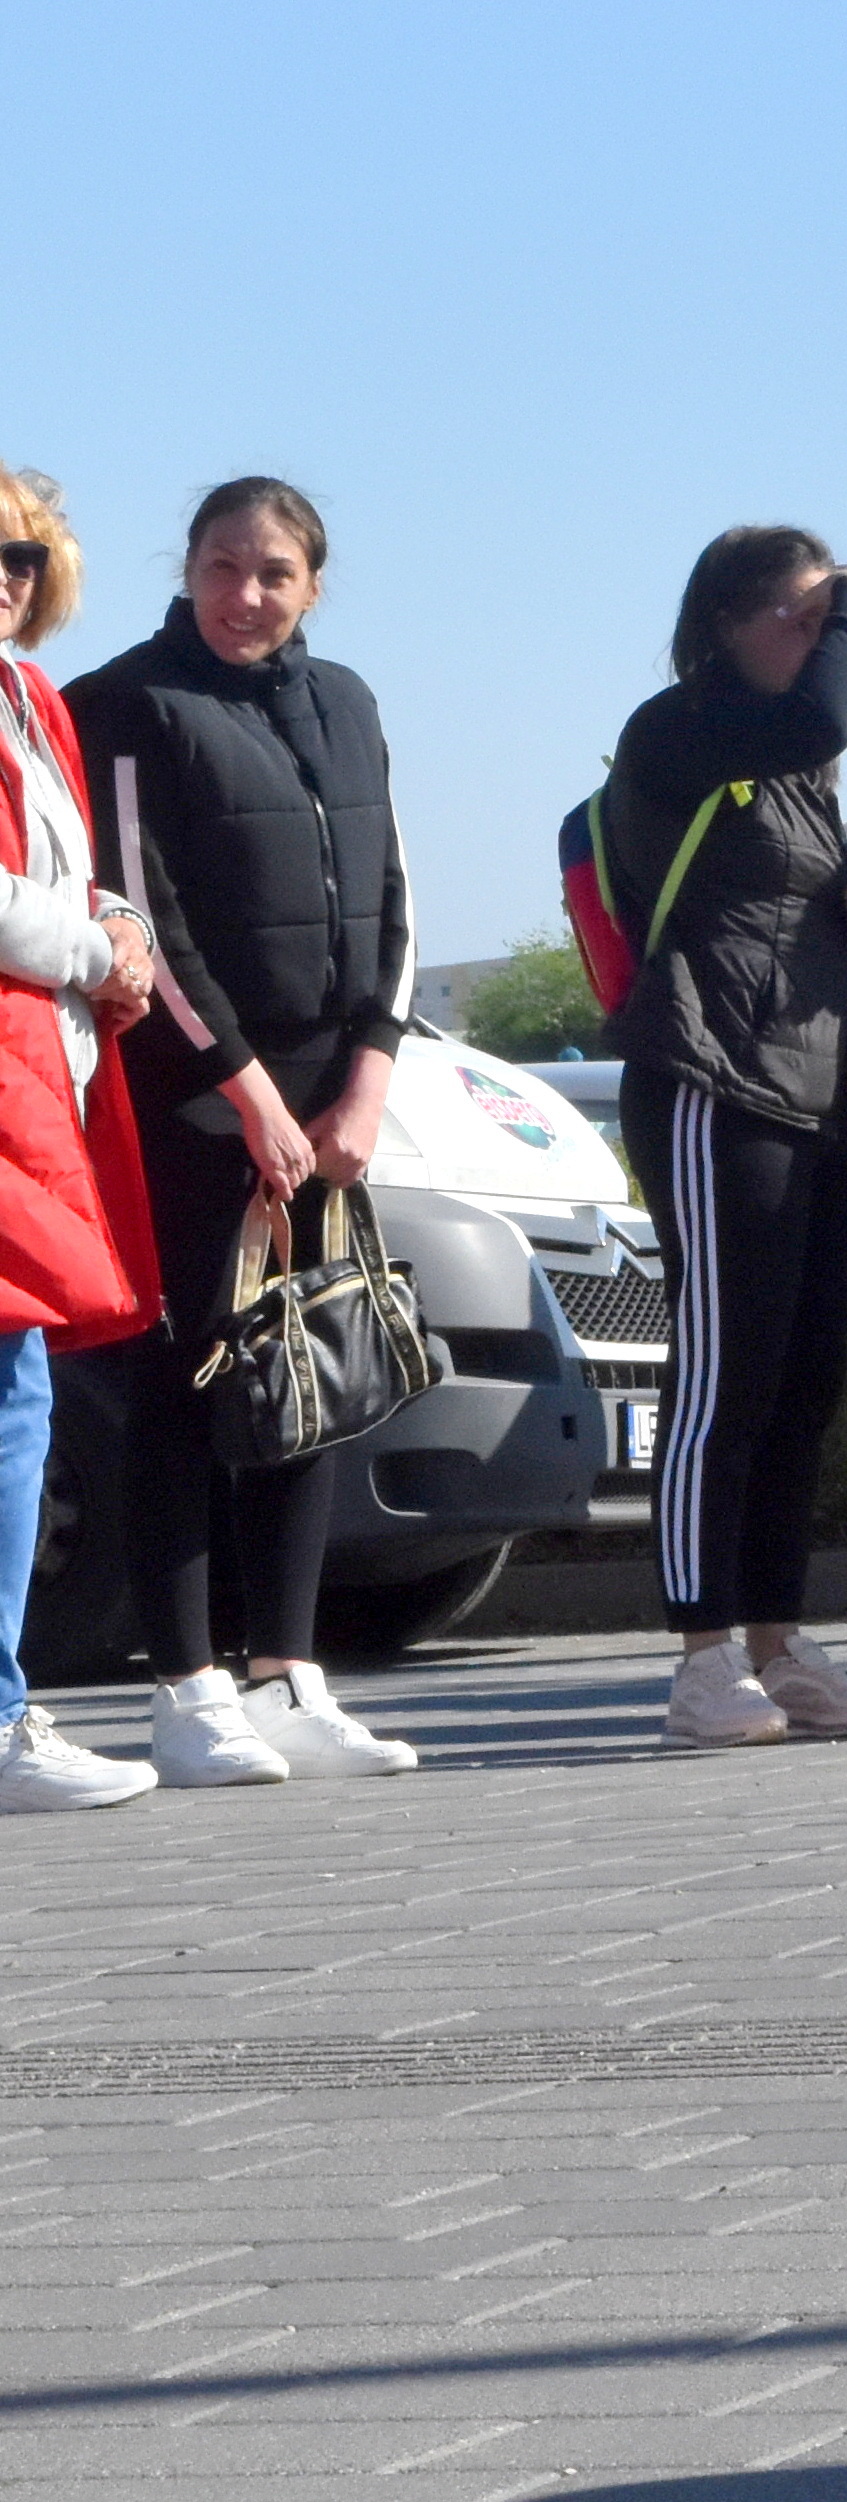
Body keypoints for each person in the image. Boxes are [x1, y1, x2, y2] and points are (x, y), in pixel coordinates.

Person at [67, 477, 424, 1783]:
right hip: (190, 1094)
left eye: (274, 572)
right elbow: (136, 914)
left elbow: (392, 895)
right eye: (223, 566)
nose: (246, 594)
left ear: (314, 584)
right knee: (181, 1387)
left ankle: (289, 1676)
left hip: (330, 1100)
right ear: (188, 568)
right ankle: (187, 1690)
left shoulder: (350, 703)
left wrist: (365, 1083)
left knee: (309, 1375)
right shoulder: (129, 702)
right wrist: (250, 1094)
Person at [603, 525, 847, 1752]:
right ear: (727, 622)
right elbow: (822, 711)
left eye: (830, 616)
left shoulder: (802, 775)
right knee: (722, 1376)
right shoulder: (680, 728)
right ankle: (703, 1657)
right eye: (802, 614)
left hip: (822, 1094)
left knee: (801, 1382)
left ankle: (781, 1646)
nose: (823, 636)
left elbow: (830, 877)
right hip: (711, 1079)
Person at [0, 464, 169, 1816]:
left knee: (20, 1388)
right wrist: (94, 949)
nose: (4, 575)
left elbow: (72, 874)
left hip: (37, 1074)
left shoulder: (32, 696)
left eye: (19, 553)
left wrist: (124, 928)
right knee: (12, 1389)